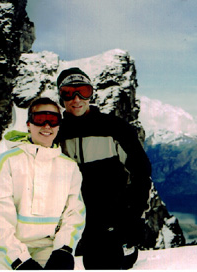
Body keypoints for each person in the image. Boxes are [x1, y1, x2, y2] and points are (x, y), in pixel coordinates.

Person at [56, 67, 152, 269]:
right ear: (60, 96)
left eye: (83, 91)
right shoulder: (56, 133)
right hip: (76, 223)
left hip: (113, 222)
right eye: (68, 92)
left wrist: (133, 216)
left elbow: (141, 172)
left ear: (91, 93)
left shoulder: (114, 128)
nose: (76, 99)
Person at [0, 97, 86, 270]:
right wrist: (19, 260)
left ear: (59, 125)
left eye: (52, 120)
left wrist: (64, 250)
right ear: (29, 124)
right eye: (39, 119)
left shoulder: (69, 167)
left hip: (46, 244)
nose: (46, 126)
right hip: (3, 246)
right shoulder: (7, 161)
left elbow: (74, 212)